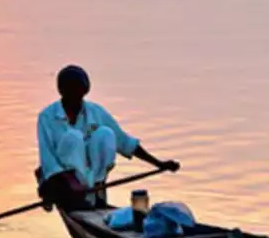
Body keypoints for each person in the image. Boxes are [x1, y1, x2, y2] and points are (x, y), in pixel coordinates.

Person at [35, 65, 179, 210]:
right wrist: (71, 184)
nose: (76, 99)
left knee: (105, 133)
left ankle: (96, 192)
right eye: (71, 92)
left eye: (79, 94)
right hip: (64, 181)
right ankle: (79, 198)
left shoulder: (96, 112)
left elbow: (125, 142)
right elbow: (48, 161)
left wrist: (159, 164)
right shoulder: (47, 117)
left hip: (91, 178)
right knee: (74, 137)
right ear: (61, 91)